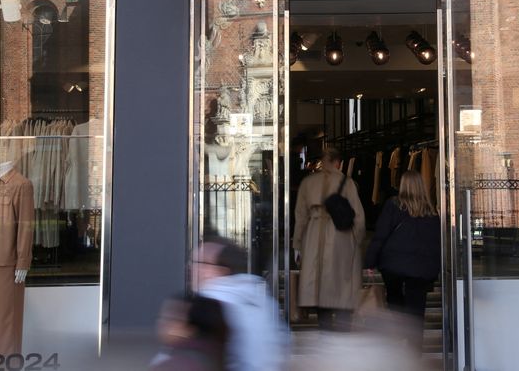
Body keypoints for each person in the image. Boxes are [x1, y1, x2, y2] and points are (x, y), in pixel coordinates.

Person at [364, 170, 441, 352]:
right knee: (416, 308)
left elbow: (380, 236)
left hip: (394, 265)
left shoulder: (393, 205)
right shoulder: (431, 211)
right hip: (421, 269)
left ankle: (397, 341)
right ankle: (414, 351)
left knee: (395, 300)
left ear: (403, 185)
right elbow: (436, 243)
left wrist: (370, 262)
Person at [294, 147, 366, 331]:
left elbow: (300, 216)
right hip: (340, 235)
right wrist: (358, 242)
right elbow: (358, 216)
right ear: (338, 163)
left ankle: (324, 328)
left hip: (313, 233)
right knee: (342, 284)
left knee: (318, 286)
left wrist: (298, 245)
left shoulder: (308, 183)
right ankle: (342, 331)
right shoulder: (347, 183)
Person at [196, 236, 286, 371]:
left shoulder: (209, 303)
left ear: (222, 270)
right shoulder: (263, 302)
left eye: (201, 263)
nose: (193, 268)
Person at [150, 294, 228, 371]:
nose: (162, 322)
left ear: (192, 328)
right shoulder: (215, 356)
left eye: (172, 318)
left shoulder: (177, 365)